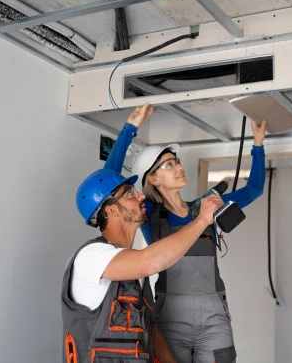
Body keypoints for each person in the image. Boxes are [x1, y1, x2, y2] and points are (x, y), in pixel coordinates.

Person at [61, 105, 225, 363]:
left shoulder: (134, 274)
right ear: (110, 210)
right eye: (130, 193)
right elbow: (152, 260)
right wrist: (203, 219)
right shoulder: (91, 257)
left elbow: (151, 333)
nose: (140, 195)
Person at [105, 103, 267, 363]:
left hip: (214, 315)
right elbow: (107, 181)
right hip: (171, 316)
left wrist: (258, 145)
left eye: (177, 162)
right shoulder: (148, 213)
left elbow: (254, 189)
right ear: (153, 179)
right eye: (169, 165)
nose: (179, 167)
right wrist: (129, 129)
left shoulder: (207, 208)